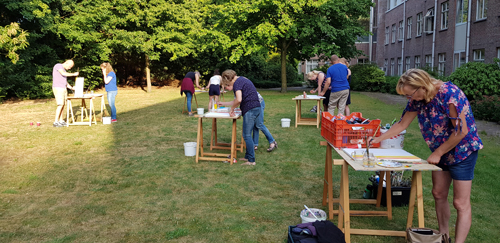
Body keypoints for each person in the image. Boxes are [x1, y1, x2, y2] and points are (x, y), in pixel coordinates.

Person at [369, 69, 483, 243]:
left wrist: (438, 153)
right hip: (441, 151)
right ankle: (444, 238)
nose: (410, 99)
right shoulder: (418, 98)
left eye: (410, 95)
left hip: (463, 151)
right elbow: (402, 124)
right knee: (438, 193)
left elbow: (461, 132)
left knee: (460, 202)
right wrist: (378, 138)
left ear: (422, 86)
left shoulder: (450, 95)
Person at [218, 69, 262, 165]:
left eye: (226, 86)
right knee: (246, 134)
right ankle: (247, 156)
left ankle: (251, 161)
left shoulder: (237, 83)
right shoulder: (241, 80)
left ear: (229, 80)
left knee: (246, 135)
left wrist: (232, 109)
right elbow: (237, 100)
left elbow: (239, 99)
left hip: (250, 109)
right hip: (255, 108)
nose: (227, 88)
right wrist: (225, 104)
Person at [52, 60, 79, 127]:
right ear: (66, 63)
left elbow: (65, 82)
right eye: (69, 66)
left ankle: (61, 121)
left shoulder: (64, 70)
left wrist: (72, 88)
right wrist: (73, 74)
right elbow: (63, 73)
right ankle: (56, 121)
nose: (69, 68)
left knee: (63, 104)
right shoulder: (58, 65)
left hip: (63, 88)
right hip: (58, 88)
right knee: (60, 104)